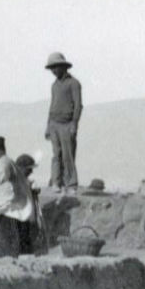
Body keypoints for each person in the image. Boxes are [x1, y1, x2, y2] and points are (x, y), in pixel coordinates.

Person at [45, 52, 83, 193]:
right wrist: (48, 126)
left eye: (56, 67)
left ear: (63, 66)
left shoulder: (74, 84)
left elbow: (78, 106)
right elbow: (52, 105)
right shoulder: (54, 85)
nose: (54, 71)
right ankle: (56, 182)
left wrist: (74, 124)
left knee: (68, 155)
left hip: (67, 124)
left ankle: (71, 184)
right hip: (54, 123)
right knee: (56, 155)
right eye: (52, 68)